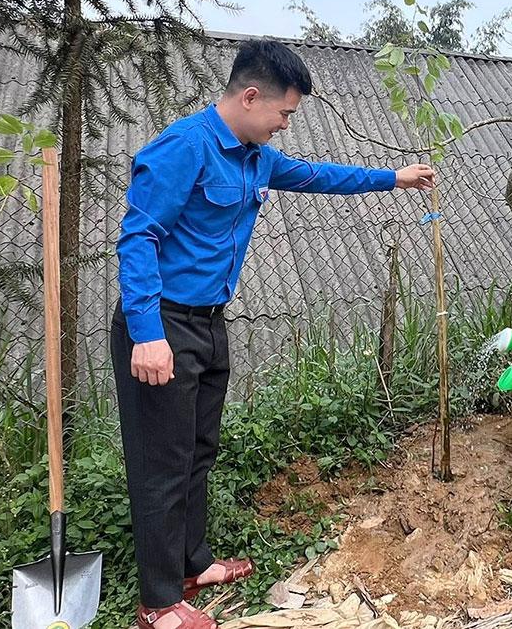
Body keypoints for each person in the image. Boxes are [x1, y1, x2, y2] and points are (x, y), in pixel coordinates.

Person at [112, 39, 436, 629]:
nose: (286, 126)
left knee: (197, 452)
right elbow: (139, 238)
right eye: (284, 114)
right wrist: (147, 333)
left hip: (209, 323)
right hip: (163, 323)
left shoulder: (257, 156)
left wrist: (394, 178)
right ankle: (158, 603)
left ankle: (190, 565)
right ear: (251, 96)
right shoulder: (184, 148)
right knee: (162, 463)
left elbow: (318, 177)